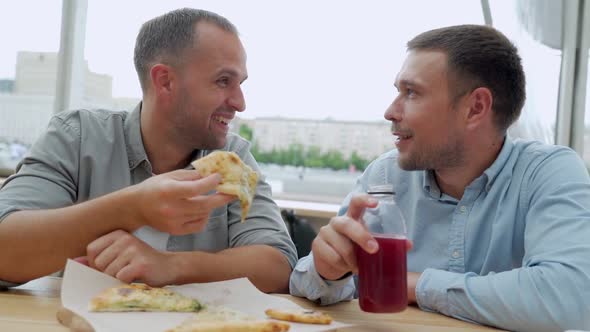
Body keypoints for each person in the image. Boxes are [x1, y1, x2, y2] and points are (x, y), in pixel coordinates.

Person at [289, 25, 590, 332]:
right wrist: (328, 272)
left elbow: (570, 297)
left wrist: (411, 286)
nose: (390, 111)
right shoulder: (386, 174)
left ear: (475, 108)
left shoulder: (548, 172)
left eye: (411, 93)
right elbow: (309, 281)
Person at [0, 8, 297, 293]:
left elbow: (279, 266)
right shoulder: (76, 138)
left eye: (240, 84)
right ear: (165, 81)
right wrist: (132, 208)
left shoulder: (235, 157)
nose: (240, 103)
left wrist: (172, 265)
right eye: (223, 81)